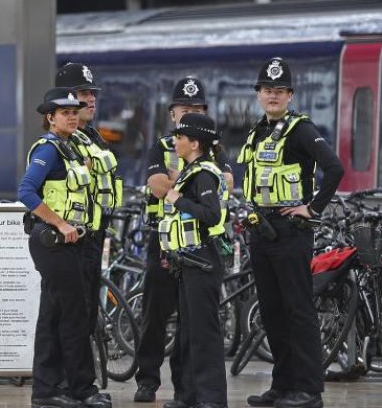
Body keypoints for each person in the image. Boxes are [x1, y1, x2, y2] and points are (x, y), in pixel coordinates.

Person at [237, 57, 344, 408]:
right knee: (272, 310)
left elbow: (334, 168)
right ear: (258, 94)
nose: (273, 96)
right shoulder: (259, 131)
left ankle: (309, 390)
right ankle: (282, 386)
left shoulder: (300, 129)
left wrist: (312, 209)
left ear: (290, 95)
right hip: (262, 231)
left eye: (279, 91)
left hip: (291, 231)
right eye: (267, 90)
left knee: (298, 310)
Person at [134, 77, 233, 407]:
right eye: (184, 109)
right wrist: (182, 182)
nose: (189, 113)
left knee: (194, 323)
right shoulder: (164, 146)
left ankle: (186, 389)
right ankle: (147, 380)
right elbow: (157, 184)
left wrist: (181, 184)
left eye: (197, 109)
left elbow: (227, 182)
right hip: (162, 241)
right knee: (155, 313)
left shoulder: (209, 151)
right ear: (172, 112)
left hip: (195, 248)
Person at [18, 87, 111, 408]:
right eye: (65, 112)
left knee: (54, 315)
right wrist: (60, 223)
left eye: (75, 111)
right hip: (53, 242)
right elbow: (27, 191)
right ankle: (82, 388)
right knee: (73, 315)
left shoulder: (72, 146)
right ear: (50, 118)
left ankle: (46, 390)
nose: (72, 116)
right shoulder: (49, 149)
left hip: (68, 244)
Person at [157, 112, 229, 408]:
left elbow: (210, 214)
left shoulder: (203, 174)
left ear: (195, 143)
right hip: (187, 261)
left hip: (203, 260)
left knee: (204, 333)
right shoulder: (192, 170)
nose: (175, 142)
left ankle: (211, 399)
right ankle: (188, 396)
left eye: (180, 137)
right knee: (187, 332)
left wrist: (177, 199)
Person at [55, 63, 122, 337]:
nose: (91, 99)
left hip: (95, 234)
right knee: (73, 310)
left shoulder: (92, 136)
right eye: (84, 93)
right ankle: (67, 377)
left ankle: (81, 374)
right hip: (74, 237)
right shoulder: (61, 141)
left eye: (92, 93)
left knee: (88, 309)